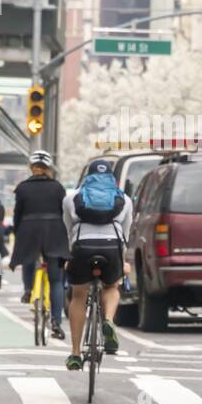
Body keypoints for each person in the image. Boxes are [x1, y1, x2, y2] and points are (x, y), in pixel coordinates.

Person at [62, 159, 132, 371]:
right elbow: (126, 234)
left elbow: (67, 229)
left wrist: (68, 256)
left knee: (79, 295)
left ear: (87, 178)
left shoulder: (71, 198)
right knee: (111, 286)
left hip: (82, 246)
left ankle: (75, 353)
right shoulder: (125, 199)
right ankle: (108, 320)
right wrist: (124, 262)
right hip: (112, 247)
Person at [11, 151, 71, 340]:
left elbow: (17, 215)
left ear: (32, 168)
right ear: (49, 169)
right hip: (55, 232)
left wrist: (17, 232)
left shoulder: (22, 188)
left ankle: (29, 290)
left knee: (28, 257)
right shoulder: (58, 188)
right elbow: (63, 213)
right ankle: (56, 322)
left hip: (29, 229)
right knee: (56, 280)